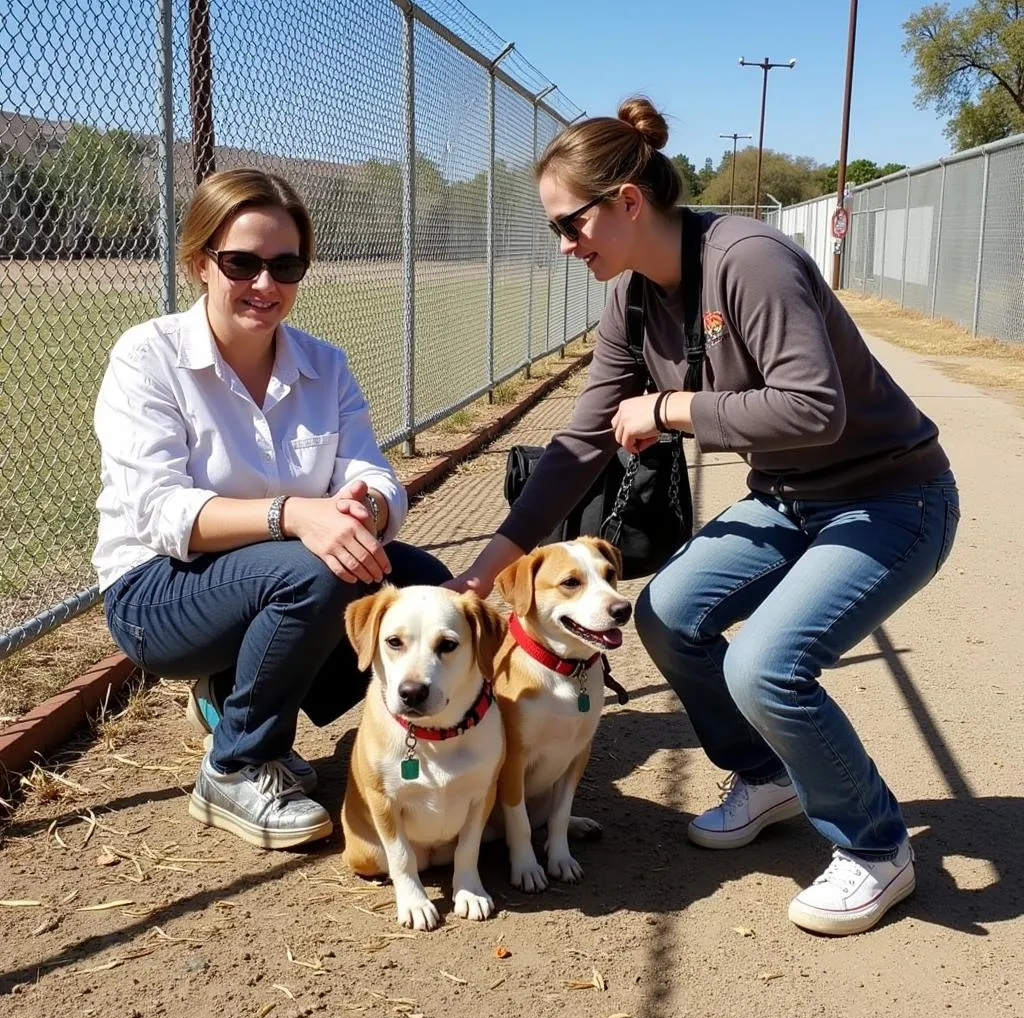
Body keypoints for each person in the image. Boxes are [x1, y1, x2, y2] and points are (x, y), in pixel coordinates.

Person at [448, 98, 960, 936]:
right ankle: (765, 774)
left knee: (766, 665)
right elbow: (581, 443)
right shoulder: (633, 299)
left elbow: (815, 409)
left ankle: (874, 845)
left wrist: (676, 407)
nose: (565, 245)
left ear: (626, 201)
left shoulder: (749, 260)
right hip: (788, 500)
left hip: (891, 497)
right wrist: (492, 557)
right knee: (665, 615)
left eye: (569, 224)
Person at [94, 168, 451, 851]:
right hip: (157, 590)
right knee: (316, 575)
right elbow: (161, 512)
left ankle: (234, 693)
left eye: (285, 265)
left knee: (419, 586)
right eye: (242, 263)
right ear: (201, 262)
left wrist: (366, 508)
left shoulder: (324, 364)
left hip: (273, 575)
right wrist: (294, 514)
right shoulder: (149, 356)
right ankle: (234, 766)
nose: (265, 284)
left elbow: (374, 474)